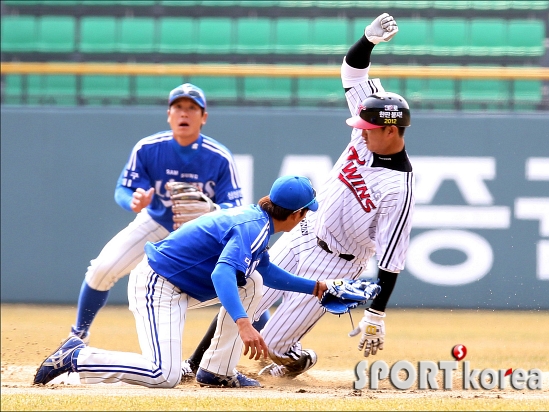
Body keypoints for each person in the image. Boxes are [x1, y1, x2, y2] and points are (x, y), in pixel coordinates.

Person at [182, 12, 415, 379]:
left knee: (270, 348)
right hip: (303, 233)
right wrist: (367, 41)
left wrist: (376, 313)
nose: (361, 130)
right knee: (243, 294)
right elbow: (352, 74)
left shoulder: (398, 189)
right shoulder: (366, 130)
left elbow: (391, 261)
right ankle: (193, 364)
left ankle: (297, 358)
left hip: (339, 263)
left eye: (369, 127)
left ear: (391, 129)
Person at [34, 175, 336, 388]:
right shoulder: (253, 228)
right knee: (162, 375)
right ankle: (77, 356)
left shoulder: (257, 221)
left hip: (179, 286)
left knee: (254, 281)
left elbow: (268, 273)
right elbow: (221, 274)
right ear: (296, 214)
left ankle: (217, 372)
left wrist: (315, 287)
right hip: (157, 284)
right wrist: (244, 323)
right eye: (306, 211)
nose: (306, 217)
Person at [67, 83, 244, 344]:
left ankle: (273, 344)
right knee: (102, 269)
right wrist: (133, 201)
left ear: (203, 117)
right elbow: (123, 189)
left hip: (202, 233)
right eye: (178, 107)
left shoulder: (219, 157)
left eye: (192, 108)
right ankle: (77, 336)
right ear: (169, 114)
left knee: (245, 282)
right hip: (157, 221)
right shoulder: (149, 148)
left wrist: (212, 211)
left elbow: (234, 209)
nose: (184, 113)